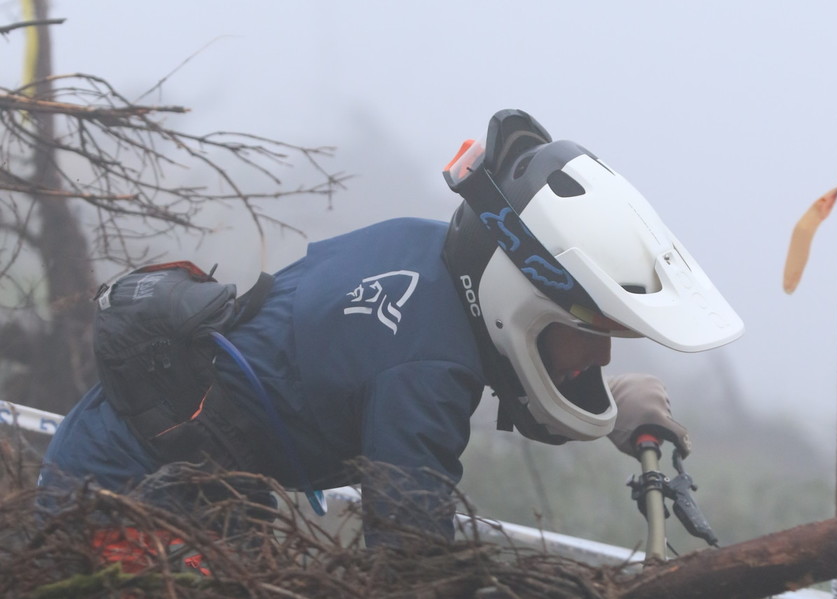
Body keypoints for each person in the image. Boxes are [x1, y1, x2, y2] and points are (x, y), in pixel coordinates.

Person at [38, 109, 743, 544]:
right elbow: (411, 558)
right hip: (124, 497)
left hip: (149, 469)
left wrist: (608, 403)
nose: (596, 352)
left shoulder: (423, 250)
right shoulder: (426, 373)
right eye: (586, 330)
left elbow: (499, 367)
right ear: (514, 296)